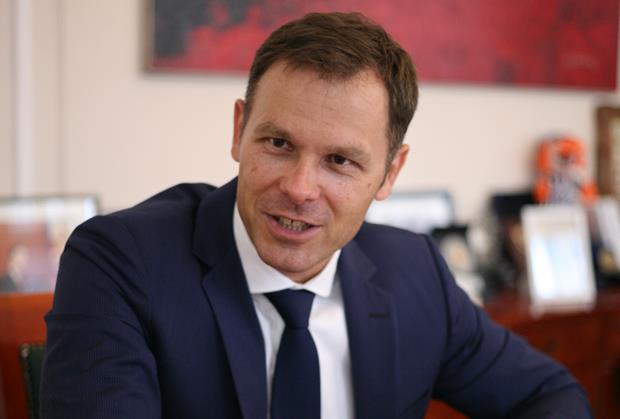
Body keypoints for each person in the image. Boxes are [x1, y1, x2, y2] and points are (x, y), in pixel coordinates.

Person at [41, 12, 591, 419]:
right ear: (239, 131)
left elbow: (550, 395)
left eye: (340, 161)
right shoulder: (121, 262)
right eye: (278, 143)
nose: (299, 188)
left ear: (390, 173)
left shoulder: (415, 273)